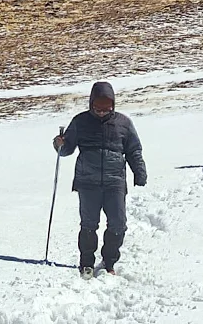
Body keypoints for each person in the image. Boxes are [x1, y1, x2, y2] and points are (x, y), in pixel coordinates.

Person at [53, 81, 147, 278]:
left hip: (115, 181)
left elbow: (133, 150)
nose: (103, 112)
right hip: (87, 181)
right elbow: (67, 149)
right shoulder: (80, 121)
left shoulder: (123, 123)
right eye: (98, 108)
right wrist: (59, 143)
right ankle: (86, 263)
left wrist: (139, 172)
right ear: (91, 103)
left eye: (107, 108)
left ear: (113, 104)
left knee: (118, 223)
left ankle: (109, 261)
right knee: (89, 224)